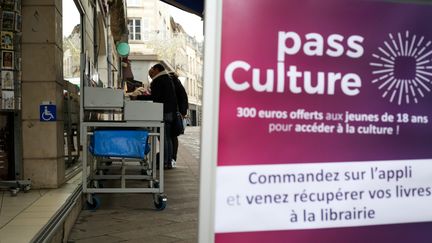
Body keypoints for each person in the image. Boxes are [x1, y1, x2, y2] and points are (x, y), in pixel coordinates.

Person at [137, 63, 178, 169]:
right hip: (170, 112)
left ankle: (164, 162)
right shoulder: (167, 79)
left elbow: (155, 97)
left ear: (157, 70)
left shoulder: (158, 80)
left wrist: (138, 98)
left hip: (162, 112)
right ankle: (168, 161)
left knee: (163, 138)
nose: (150, 72)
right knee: (168, 138)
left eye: (151, 69)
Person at [169, 71, 188, 166]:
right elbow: (184, 98)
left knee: (172, 136)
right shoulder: (179, 85)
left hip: (175, 114)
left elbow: (182, 99)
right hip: (178, 113)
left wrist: (182, 113)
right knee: (174, 136)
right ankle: (172, 157)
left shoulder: (173, 84)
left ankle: (171, 157)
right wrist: (183, 113)